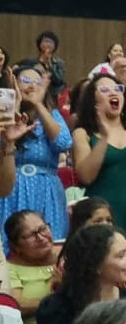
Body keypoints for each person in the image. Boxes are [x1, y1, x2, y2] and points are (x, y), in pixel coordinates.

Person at [72, 73, 126, 241]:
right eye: (104, 89)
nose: (113, 93)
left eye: (118, 89)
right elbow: (86, 176)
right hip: (102, 215)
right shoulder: (83, 133)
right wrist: (104, 137)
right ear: (92, 99)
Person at [0, 65, 71, 251]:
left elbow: (63, 143)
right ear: (13, 84)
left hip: (46, 189)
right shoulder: (4, 114)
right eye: (26, 81)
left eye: (37, 82)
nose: (32, 85)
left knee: (48, 244)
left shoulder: (52, 114)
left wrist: (39, 105)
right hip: (10, 187)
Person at [4, 211, 57, 324]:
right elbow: (17, 304)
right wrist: (57, 299)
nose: (41, 238)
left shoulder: (68, 255)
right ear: (15, 245)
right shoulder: (9, 269)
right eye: (31, 235)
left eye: (43, 229)